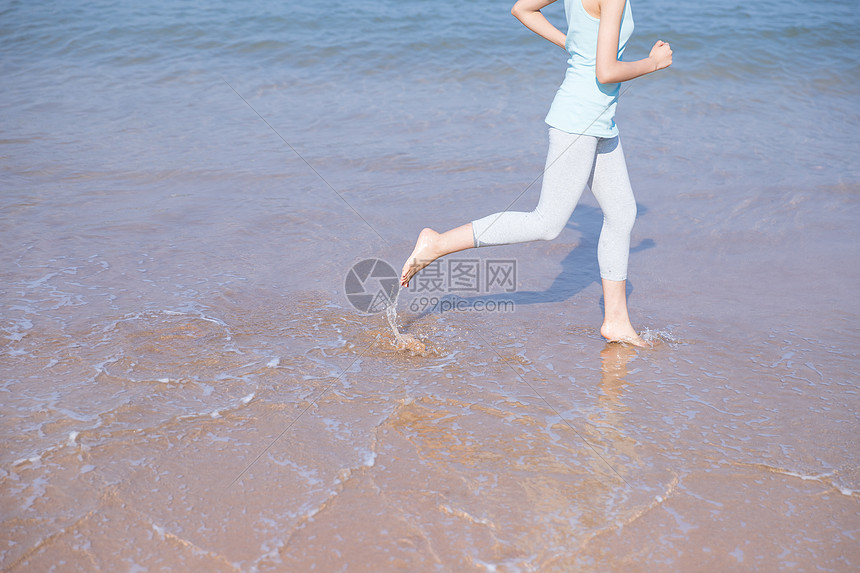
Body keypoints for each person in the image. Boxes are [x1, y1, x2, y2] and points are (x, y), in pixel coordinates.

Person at [400, 0, 672, 347]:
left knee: (622, 213)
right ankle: (437, 243)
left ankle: (616, 321)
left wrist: (573, 44)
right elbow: (606, 72)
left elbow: (522, 9)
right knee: (546, 223)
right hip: (579, 120)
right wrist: (652, 63)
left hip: (598, 120)